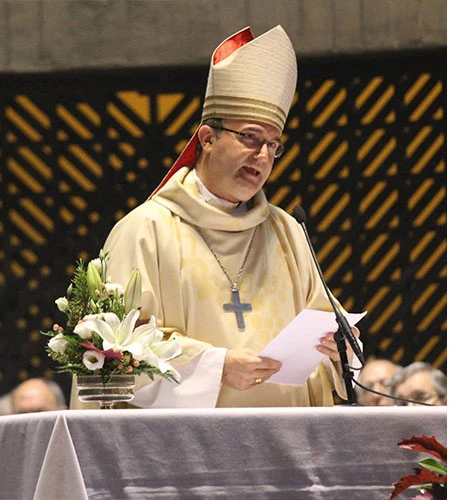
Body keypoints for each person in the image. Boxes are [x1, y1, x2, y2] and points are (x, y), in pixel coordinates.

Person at [71, 26, 361, 409]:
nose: (262, 156)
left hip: (286, 444)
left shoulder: (288, 231)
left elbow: (327, 335)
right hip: (184, 450)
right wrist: (216, 367)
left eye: (274, 146)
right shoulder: (145, 230)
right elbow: (114, 353)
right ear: (207, 138)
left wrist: (341, 350)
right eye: (251, 137)